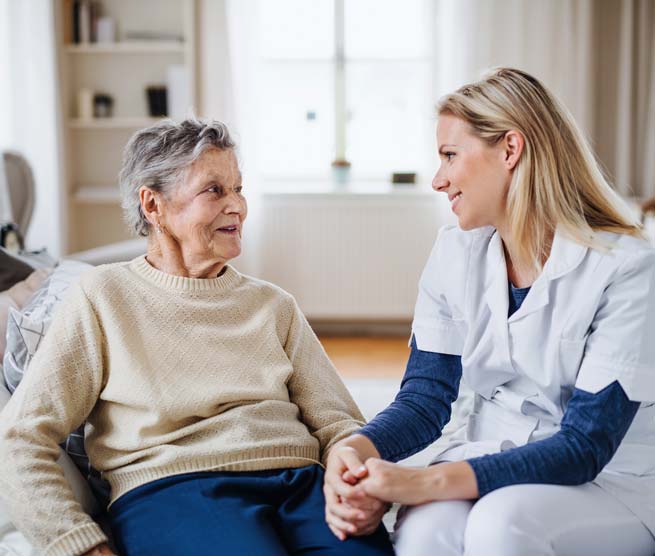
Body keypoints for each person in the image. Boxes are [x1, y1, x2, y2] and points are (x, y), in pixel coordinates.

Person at [0, 118, 394, 556]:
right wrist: (75, 543)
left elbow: (339, 422)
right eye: (214, 190)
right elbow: (21, 434)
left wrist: (356, 479)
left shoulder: (272, 304)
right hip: (176, 489)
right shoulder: (103, 295)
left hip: (302, 483)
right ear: (153, 206)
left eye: (239, 188)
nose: (238, 207)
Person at [324, 68, 655, 556]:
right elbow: (426, 398)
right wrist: (353, 449)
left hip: (611, 480)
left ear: (510, 149)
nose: (438, 180)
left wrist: (423, 482)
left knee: (501, 526)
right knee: (425, 534)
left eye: (449, 156)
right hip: (486, 453)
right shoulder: (455, 251)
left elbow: (585, 446)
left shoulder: (628, 268)